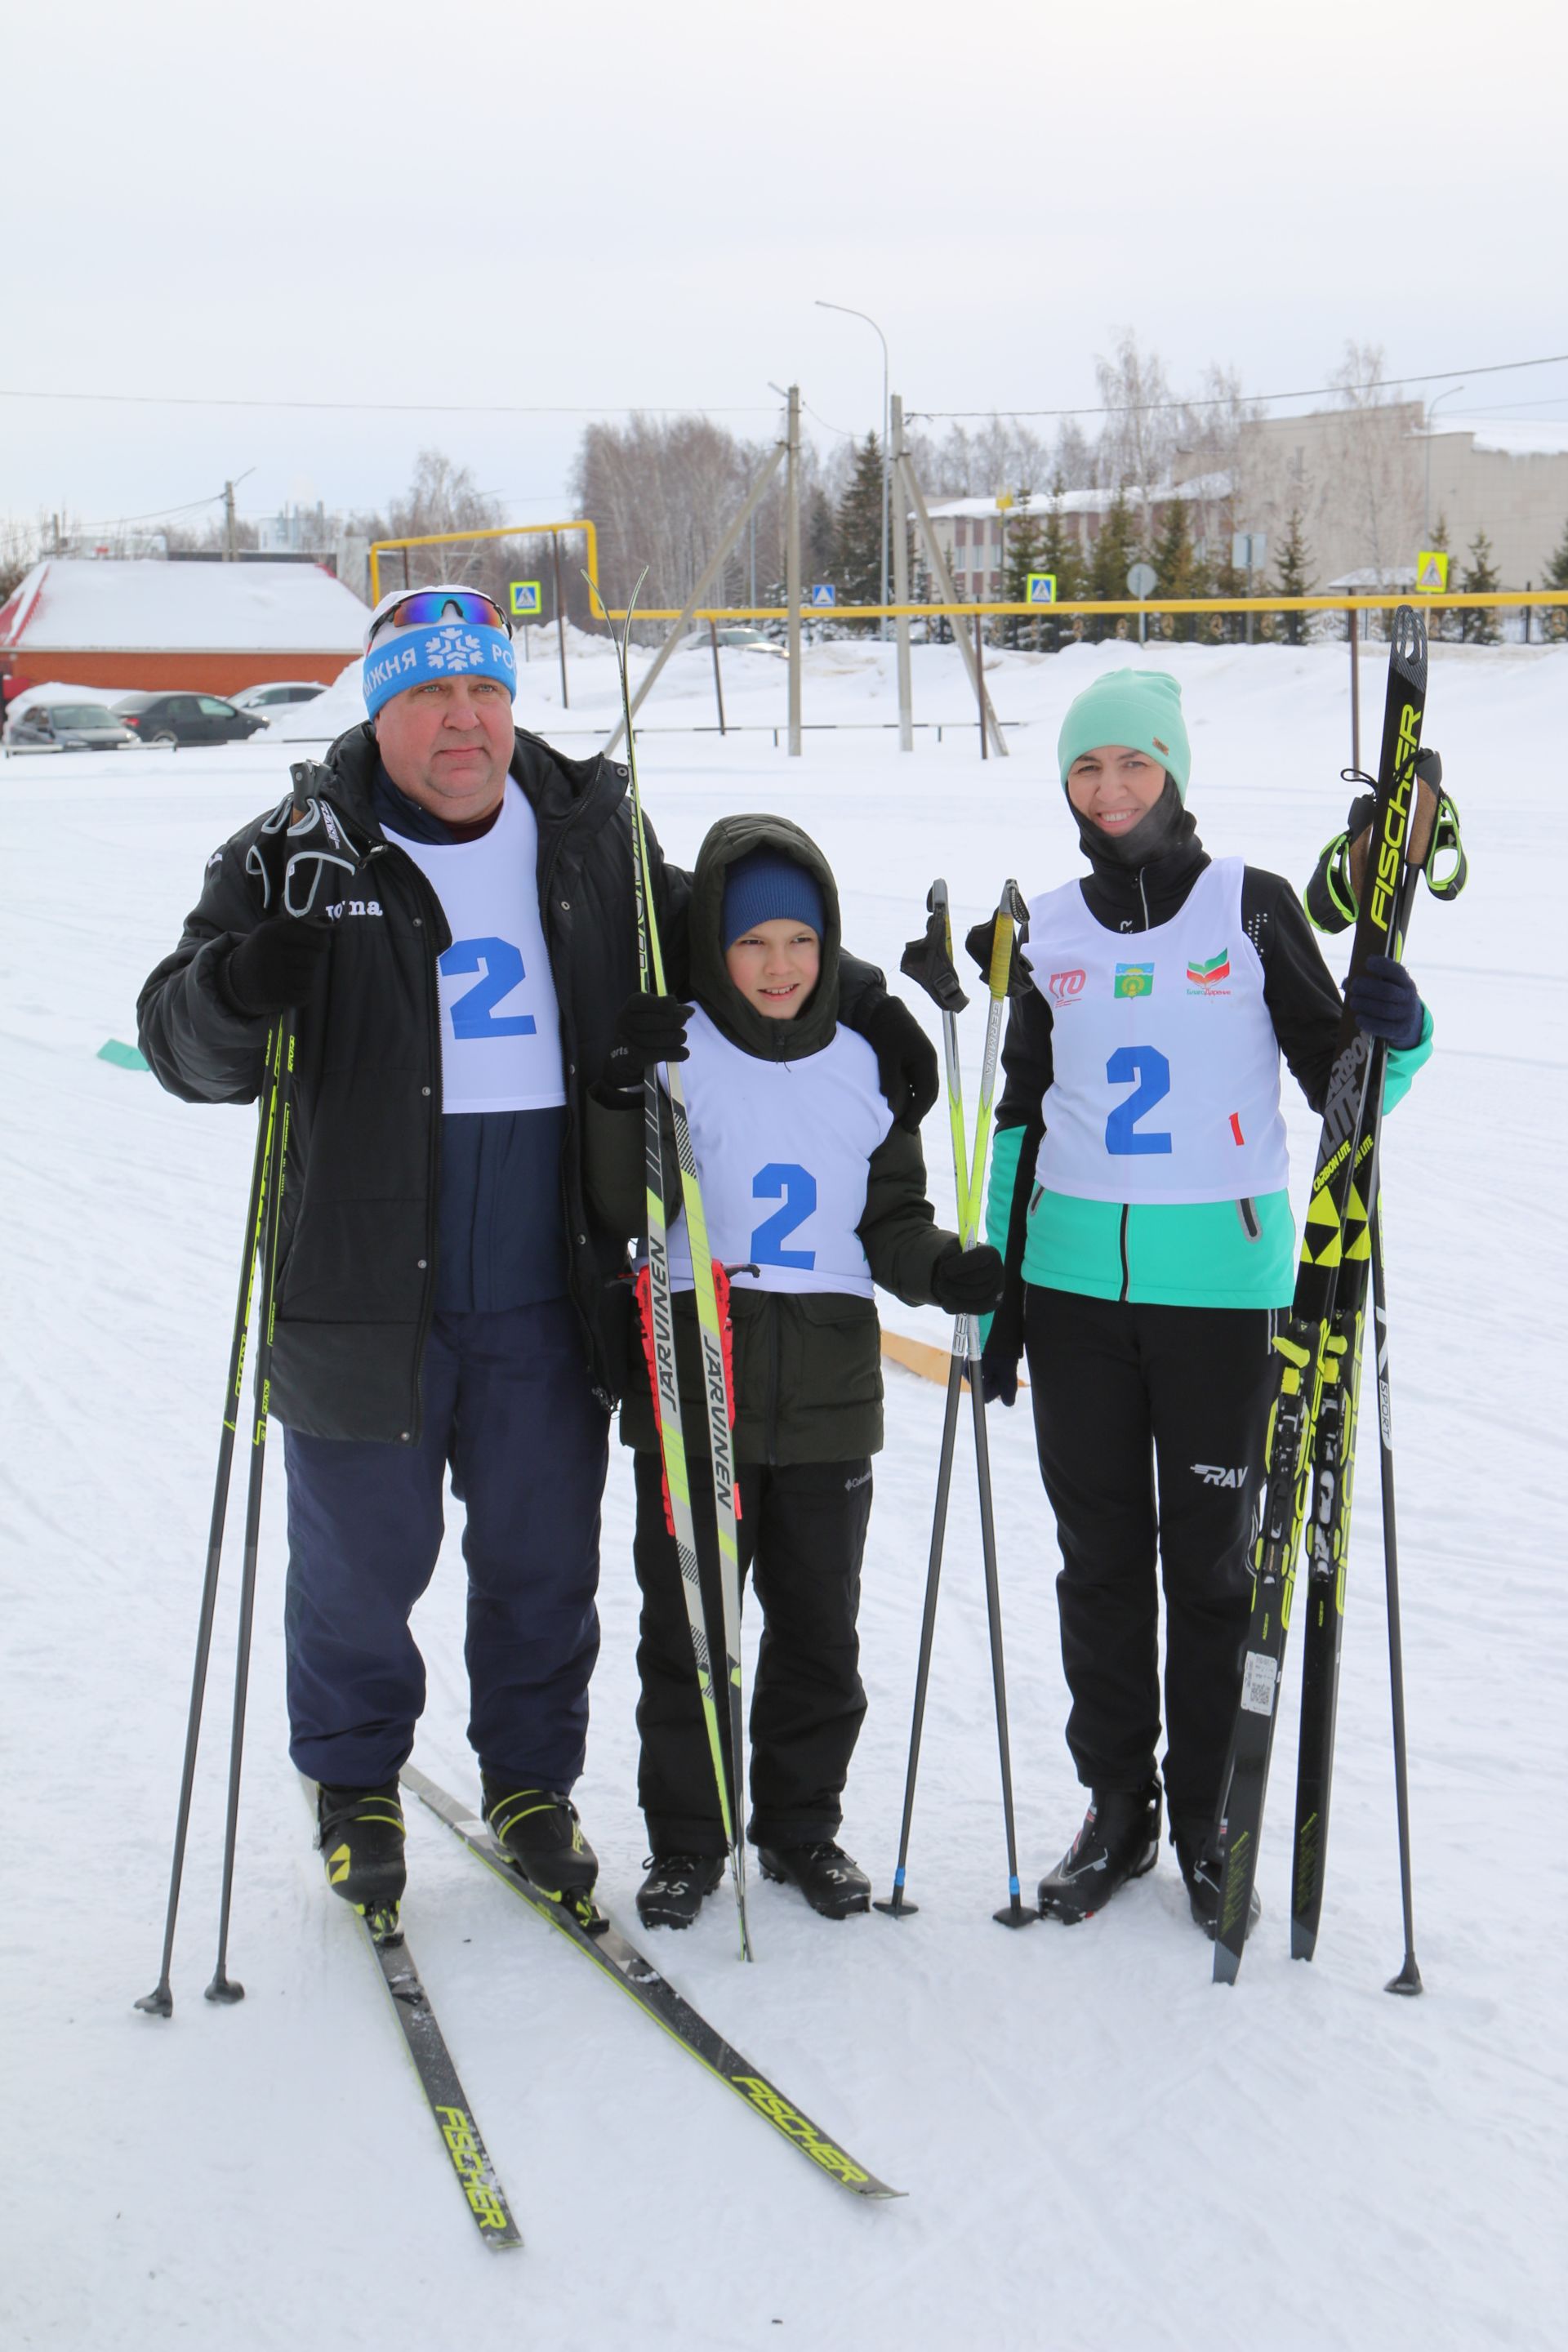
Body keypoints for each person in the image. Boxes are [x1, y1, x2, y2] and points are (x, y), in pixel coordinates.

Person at [136, 586, 938, 1932]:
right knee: (360, 1566)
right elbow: (177, 1040)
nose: (463, 721)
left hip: (550, 1276)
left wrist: (860, 995)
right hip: (361, 1280)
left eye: (484, 693)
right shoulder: (292, 848)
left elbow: (729, 931)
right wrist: (239, 986)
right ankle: (356, 1788)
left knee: (538, 1558)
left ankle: (529, 1785)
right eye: (429, 696)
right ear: (380, 710)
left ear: (510, 703)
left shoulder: (589, 832)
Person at [978, 670, 1433, 1936]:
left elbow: (1347, 1092)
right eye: (1087, 769)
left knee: (1217, 1571)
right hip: (1074, 1292)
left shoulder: (1249, 906)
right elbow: (1019, 1117)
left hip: (1224, 1293)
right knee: (1101, 1563)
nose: (1111, 790)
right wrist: (1001, 1297)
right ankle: (1117, 1809)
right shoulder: (1051, 928)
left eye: (1133, 765)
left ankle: (1209, 1821)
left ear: (1173, 772)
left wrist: (1399, 1031)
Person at [586, 817, 1004, 1928]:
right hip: (695, 1377)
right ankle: (685, 1841)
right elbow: (613, 1201)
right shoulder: (678, 1051)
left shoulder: (868, 1062)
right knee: (688, 1631)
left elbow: (893, 1222)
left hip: (828, 1396)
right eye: (751, 943)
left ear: (828, 944)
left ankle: (800, 1829)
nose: (779, 966)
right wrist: (618, 1089)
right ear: (714, 947)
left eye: (799, 941)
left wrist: (944, 1271)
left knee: (819, 1633)